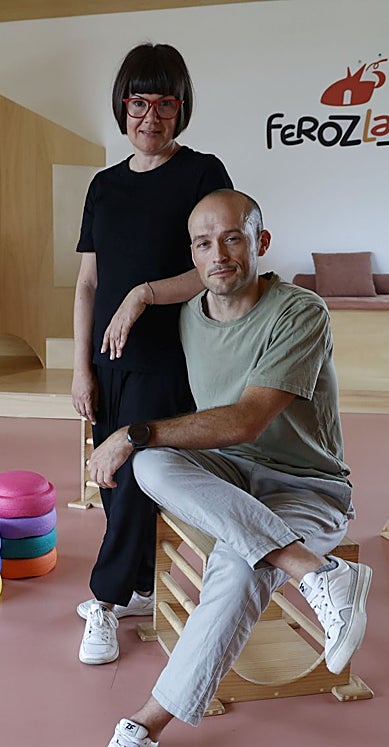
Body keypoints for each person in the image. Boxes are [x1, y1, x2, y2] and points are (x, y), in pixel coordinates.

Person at [74, 189, 374, 747]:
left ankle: (142, 728)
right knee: (154, 464)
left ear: (260, 243)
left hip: (309, 486)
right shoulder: (190, 315)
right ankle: (317, 574)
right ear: (193, 256)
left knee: (238, 562)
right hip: (229, 479)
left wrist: (130, 434)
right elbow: (136, 301)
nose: (220, 254)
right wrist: (137, 295)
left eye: (233, 237)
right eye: (204, 243)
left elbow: (245, 421)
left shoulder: (301, 312)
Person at [72, 43, 232, 667]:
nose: (151, 116)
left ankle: (104, 603)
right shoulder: (103, 186)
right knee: (112, 481)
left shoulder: (202, 173)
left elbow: (212, 267)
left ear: (181, 109)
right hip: (106, 362)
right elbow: (87, 283)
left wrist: (143, 295)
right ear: (123, 106)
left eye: (166, 103)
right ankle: (140, 586)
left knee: (136, 475)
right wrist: (80, 367)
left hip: (168, 358)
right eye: (140, 102)